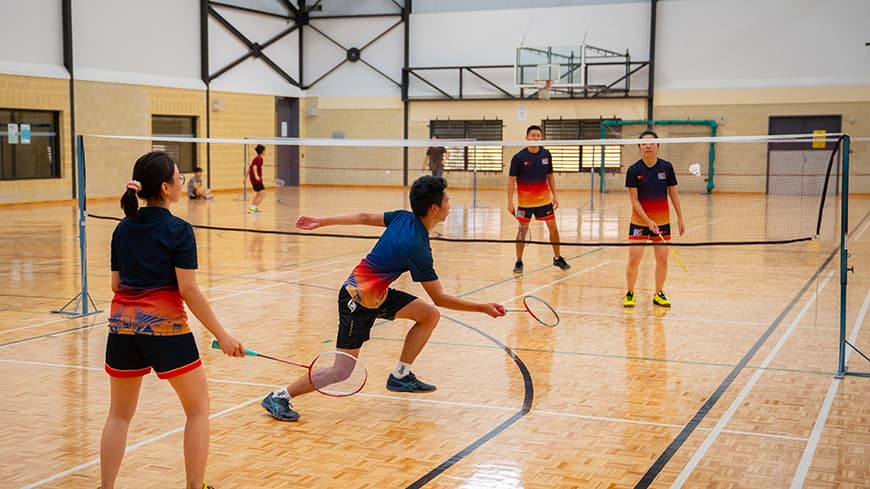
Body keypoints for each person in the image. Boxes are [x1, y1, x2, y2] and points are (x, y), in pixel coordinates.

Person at [260, 175, 505, 422]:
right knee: (341, 371)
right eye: (448, 201)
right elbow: (439, 297)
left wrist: (322, 221)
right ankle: (280, 396)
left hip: (379, 296)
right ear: (435, 208)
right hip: (355, 301)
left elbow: (364, 217)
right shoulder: (417, 248)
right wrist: (482, 308)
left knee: (428, 315)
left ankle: (400, 375)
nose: (449, 206)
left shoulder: (403, 217)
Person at [101, 151, 245, 489]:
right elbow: (189, 290)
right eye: (178, 177)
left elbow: (115, 285)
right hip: (165, 330)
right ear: (166, 188)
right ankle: (196, 487)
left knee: (119, 415)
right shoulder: (179, 230)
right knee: (198, 409)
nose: (182, 182)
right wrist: (222, 335)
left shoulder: (123, 228)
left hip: (121, 329)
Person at [623, 130, 685, 308]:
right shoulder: (633, 170)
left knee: (663, 259)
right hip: (639, 222)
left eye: (651, 143)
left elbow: (673, 193)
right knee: (634, 258)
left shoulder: (666, 167)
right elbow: (634, 201)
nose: (648, 146)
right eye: (644, 143)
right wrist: (647, 221)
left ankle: (659, 293)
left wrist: (680, 218)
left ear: (658, 146)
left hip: (662, 221)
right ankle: (630, 292)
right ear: (639, 147)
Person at [507, 124, 571, 274]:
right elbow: (511, 181)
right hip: (525, 202)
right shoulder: (518, 157)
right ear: (527, 137)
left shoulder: (546, 155)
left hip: (544, 201)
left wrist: (555, 195)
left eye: (538, 136)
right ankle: (519, 261)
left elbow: (550, 176)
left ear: (541, 138)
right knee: (522, 231)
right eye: (533, 135)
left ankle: (557, 258)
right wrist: (510, 202)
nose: (535, 138)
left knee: (553, 228)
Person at [245, 144, 266, 214]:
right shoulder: (259, 158)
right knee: (262, 194)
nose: (265, 152)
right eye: (264, 150)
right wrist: (256, 175)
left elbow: (249, 168)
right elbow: (254, 167)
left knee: (258, 194)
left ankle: (252, 209)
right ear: (262, 151)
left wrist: (245, 178)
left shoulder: (256, 158)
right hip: (256, 180)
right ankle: (253, 209)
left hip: (253, 179)